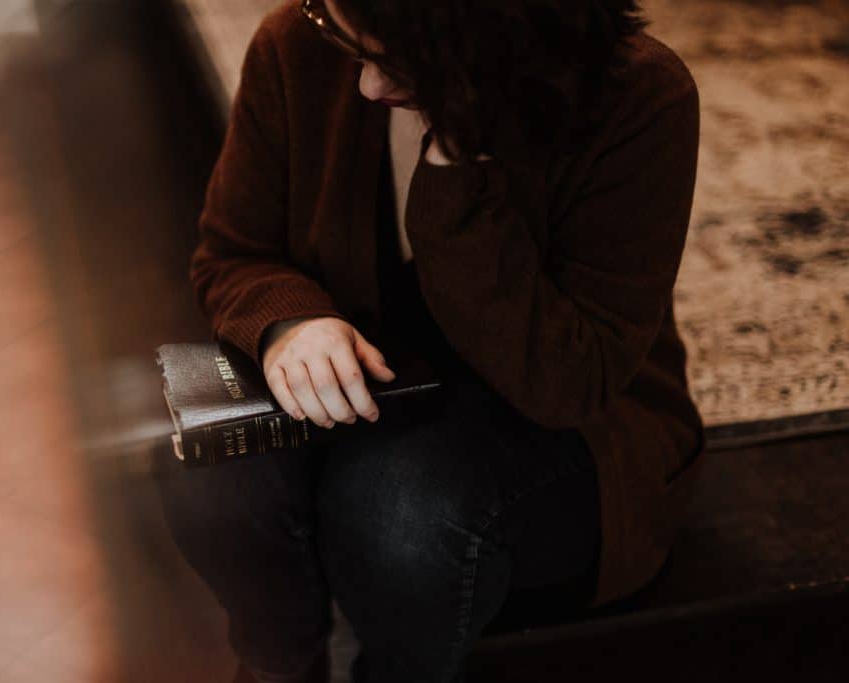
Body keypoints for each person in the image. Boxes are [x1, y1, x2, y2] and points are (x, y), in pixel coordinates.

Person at [158, 1, 707, 681]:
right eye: (348, 41)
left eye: (394, 61)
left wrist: (457, 164)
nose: (365, 86)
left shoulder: (642, 99)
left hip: (563, 426)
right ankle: (277, 666)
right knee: (208, 466)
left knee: (396, 512)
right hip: (379, 389)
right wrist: (289, 321)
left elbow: (568, 381)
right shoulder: (301, 44)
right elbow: (232, 250)